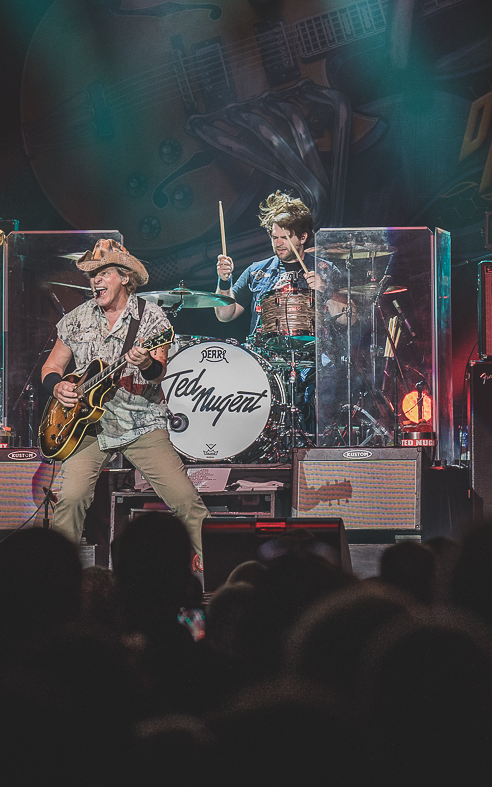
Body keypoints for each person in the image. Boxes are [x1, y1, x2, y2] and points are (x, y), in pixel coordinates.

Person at [39, 238, 208, 565]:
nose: (96, 280)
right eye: (92, 275)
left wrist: (143, 362)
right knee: (70, 499)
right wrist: (57, 387)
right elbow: (52, 366)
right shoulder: (77, 318)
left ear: (125, 278)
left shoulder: (152, 317)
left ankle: (218, 567)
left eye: (104, 273)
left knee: (186, 500)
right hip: (86, 426)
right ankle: (56, 573)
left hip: (140, 423)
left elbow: (157, 372)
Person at [214, 190, 330, 335]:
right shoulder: (256, 272)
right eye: (275, 238)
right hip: (264, 355)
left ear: (303, 237)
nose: (279, 243)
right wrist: (224, 281)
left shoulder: (325, 270)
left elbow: (350, 318)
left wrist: (326, 291)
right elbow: (224, 315)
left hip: (312, 355)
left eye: (285, 237)